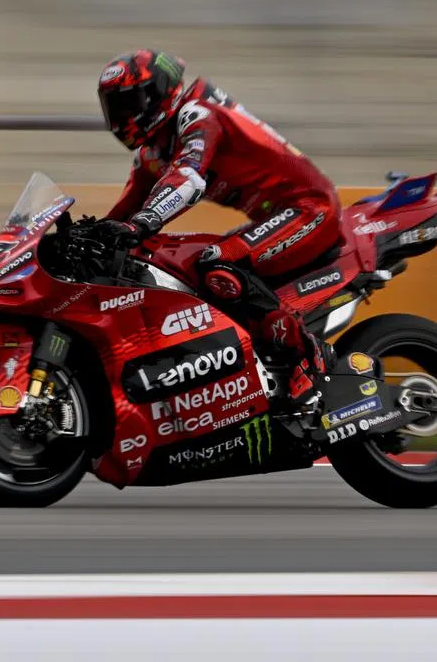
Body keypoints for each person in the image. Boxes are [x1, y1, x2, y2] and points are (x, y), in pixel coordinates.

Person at [94, 48, 343, 410]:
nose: (122, 116)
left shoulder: (198, 114)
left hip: (309, 208)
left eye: (130, 103)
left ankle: (308, 357)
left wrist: (143, 222)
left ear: (160, 92)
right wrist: (88, 235)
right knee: (187, 265)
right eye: (115, 107)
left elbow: (188, 179)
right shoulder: (153, 151)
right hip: (275, 216)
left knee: (218, 263)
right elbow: (124, 209)